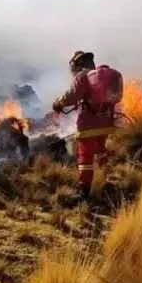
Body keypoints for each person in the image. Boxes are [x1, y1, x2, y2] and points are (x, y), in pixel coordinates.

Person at [52, 50, 123, 206]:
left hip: (89, 123)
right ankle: (104, 179)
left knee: (85, 156)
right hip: (106, 122)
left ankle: (83, 191)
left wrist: (58, 103)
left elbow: (72, 96)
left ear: (77, 65)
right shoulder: (99, 78)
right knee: (100, 150)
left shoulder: (82, 76)